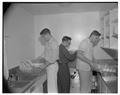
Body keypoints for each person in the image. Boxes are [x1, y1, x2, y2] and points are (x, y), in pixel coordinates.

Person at [39, 28, 59, 93]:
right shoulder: (47, 43)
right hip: (49, 66)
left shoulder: (54, 43)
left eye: (43, 36)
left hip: (52, 66)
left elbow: (54, 58)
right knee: (50, 86)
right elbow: (44, 53)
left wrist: (44, 65)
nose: (43, 38)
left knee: (52, 87)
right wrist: (36, 59)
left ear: (47, 34)